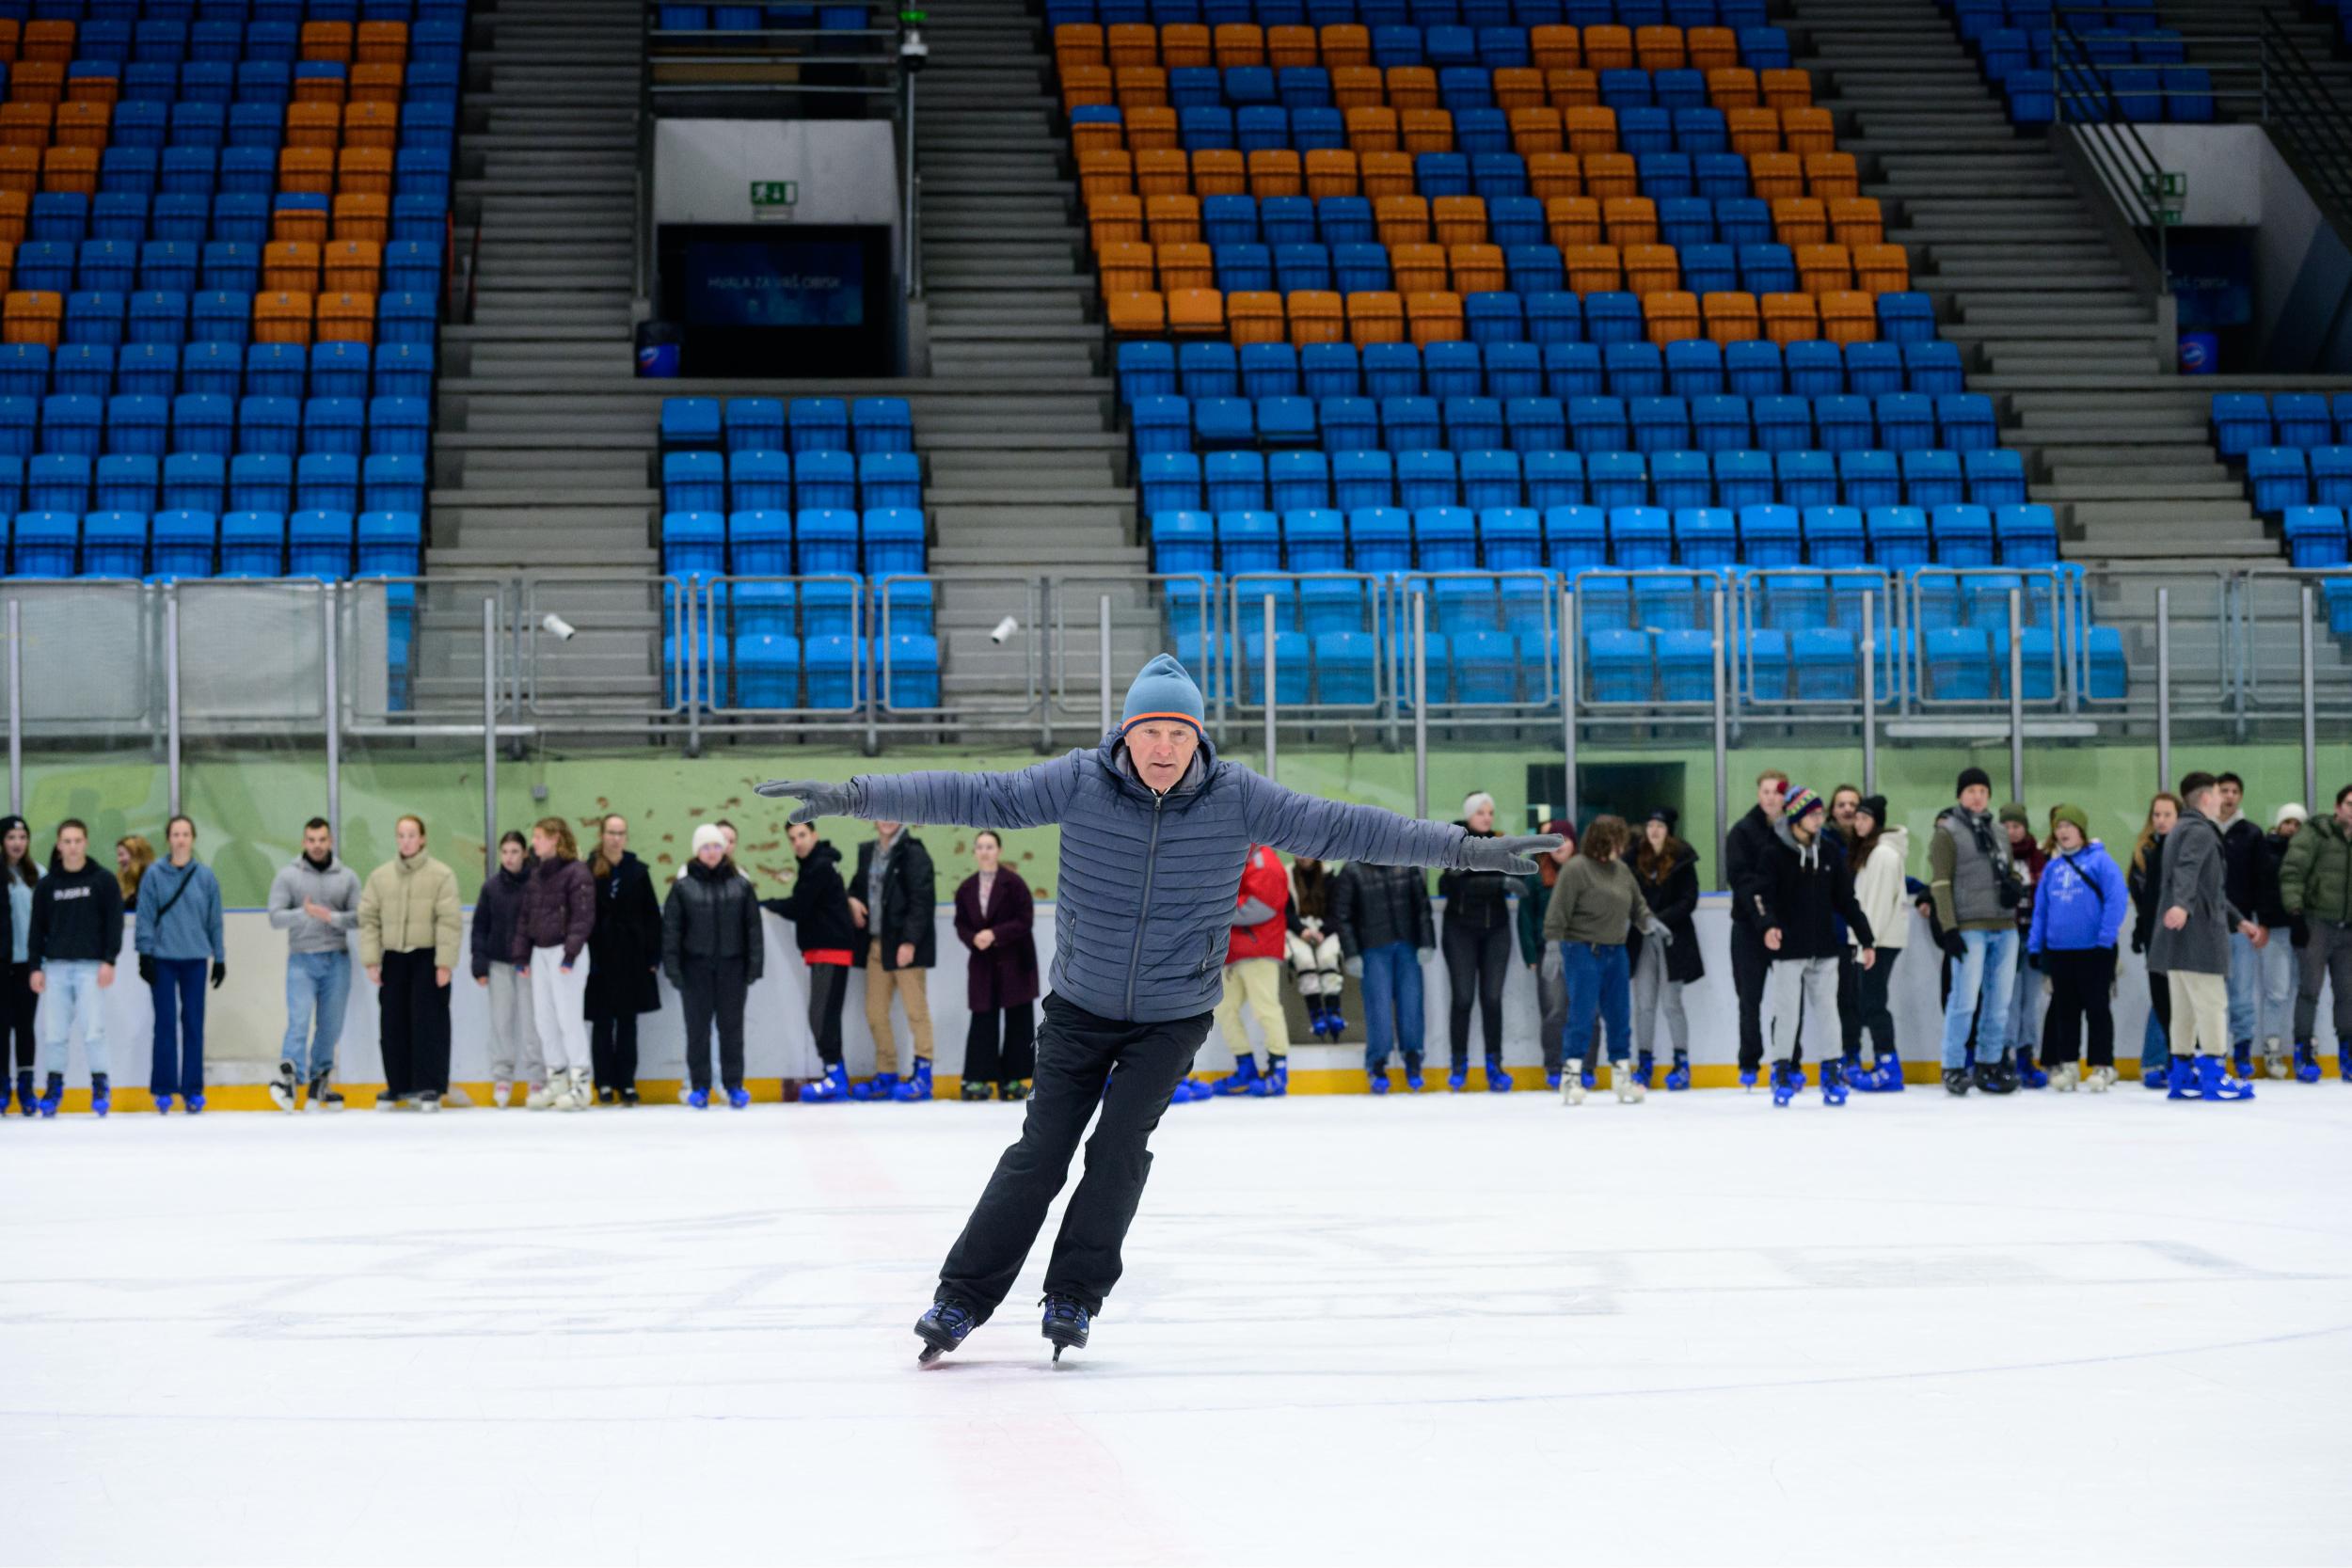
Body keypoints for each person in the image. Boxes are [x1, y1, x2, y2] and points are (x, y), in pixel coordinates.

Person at [756, 654, 1552, 1363]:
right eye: (1150, 731)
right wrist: (852, 793)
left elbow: (1349, 825)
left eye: (1179, 731)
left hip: (1172, 1014)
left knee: (1118, 1149)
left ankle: (1074, 1294)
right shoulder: (1077, 779)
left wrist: (1467, 848)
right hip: (1078, 1006)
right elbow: (973, 792)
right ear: (1125, 734)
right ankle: (961, 1298)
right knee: (1040, 1152)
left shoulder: (1239, 798)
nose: (1164, 746)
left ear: (1197, 738)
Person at [1758, 788, 1876, 1107]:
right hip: (1789, 947)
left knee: (1828, 1012)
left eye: (1820, 813)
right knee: (1786, 1013)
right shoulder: (1774, 854)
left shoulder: (1829, 853)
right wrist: (1768, 925)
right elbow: (1762, 896)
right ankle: (1781, 1069)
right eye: (1813, 814)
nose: (1819, 820)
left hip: (1825, 946)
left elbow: (1846, 900)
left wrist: (1866, 939)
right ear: (1797, 817)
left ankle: (1831, 1070)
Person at [2153, 771, 2263, 1101]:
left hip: (2179, 938)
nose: (2221, 800)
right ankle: (2215, 1075)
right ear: (2205, 798)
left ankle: (2182, 1073)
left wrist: (2238, 920)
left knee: (2184, 1009)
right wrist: (2182, 907)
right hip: (2198, 936)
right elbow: (2187, 873)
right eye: (2217, 793)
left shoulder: (2180, 830)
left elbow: (2208, 889)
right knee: (2213, 1004)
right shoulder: (2200, 831)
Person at [1548, 814, 1663, 1104]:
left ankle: (1622, 1075)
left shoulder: (1622, 871)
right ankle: (1571, 1075)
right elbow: (1557, 912)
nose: (1622, 847)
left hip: (1616, 950)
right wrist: (1552, 948)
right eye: (1617, 840)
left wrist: (1651, 924)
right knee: (1582, 1013)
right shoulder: (1576, 869)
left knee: (1619, 1014)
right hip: (1582, 949)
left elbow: (1638, 906)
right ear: (1602, 839)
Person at [358, 814, 461, 1112]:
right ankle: (398, 1084)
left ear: (423, 838)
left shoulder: (441, 875)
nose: (406, 841)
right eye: (401, 835)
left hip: (427, 958)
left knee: (429, 1022)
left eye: (411, 835)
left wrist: (445, 963)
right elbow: (368, 920)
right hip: (394, 958)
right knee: (392, 1022)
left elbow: (449, 922)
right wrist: (371, 959)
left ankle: (430, 1084)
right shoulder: (380, 877)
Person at [1930, 767, 2022, 1096]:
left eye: (1983, 790)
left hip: (2004, 925)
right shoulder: (1947, 832)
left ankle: (1989, 1062)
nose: (1977, 796)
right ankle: (1953, 1065)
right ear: (1959, 795)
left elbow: (2010, 872)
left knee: (2000, 1002)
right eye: (1971, 790)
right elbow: (1940, 883)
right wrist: (1949, 927)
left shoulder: (1998, 831)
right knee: (1965, 1000)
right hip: (1969, 926)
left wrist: (2014, 887)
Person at [663, 822, 764, 1109]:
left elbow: (752, 928)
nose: (712, 852)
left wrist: (754, 966)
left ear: (724, 850)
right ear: (697, 851)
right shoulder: (683, 888)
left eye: (717, 846)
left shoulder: (740, 885)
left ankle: (734, 1086)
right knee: (697, 1031)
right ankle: (700, 1087)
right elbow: (672, 930)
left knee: (732, 1030)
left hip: (733, 970)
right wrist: (674, 968)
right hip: (695, 971)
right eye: (706, 847)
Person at [2029, 804, 2130, 1091]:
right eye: (2059, 827)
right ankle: (2069, 1064)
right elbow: (2042, 910)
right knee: (2065, 1010)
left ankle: (2102, 1065)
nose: (2063, 832)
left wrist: (2105, 939)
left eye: (2069, 826)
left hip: (2095, 950)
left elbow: (2116, 900)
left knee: (2097, 1008)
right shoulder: (2053, 868)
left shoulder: (2101, 862)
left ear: (2081, 830)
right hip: (2061, 950)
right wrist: (2037, 946)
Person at [27, 819, 122, 1117]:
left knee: (94, 1030)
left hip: (91, 968)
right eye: (66, 841)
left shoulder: (103, 880)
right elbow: (36, 929)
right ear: (58, 845)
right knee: (54, 1033)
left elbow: (114, 923)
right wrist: (35, 967)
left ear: (86, 843)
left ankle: (100, 1086)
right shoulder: (47, 885)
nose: (72, 846)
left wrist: (109, 960)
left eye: (77, 840)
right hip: (55, 968)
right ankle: (54, 1089)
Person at [265, 817, 360, 1112]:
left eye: (322, 840)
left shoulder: (347, 877)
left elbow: (361, 917)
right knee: (299, 1021)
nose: (317, 846)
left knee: (330, 1027)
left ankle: (320, 1080)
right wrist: (303, 914)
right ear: (304, 842)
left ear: (330, 841)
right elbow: (275, 916)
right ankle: (288, 1080)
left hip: (337, 958)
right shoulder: (288, 877)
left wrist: (331, 917)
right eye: (311, 840)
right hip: (302, 959)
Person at [134, 815, 225, 1115]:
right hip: (162, 959)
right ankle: (162, 1088)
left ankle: (192, 1088)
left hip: (195, 958)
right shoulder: (154, 875)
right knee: (165, 1024)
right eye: (176, 834)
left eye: (186, 833)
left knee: (194, 1024)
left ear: (193, 839)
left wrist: (220, 957)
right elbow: (144, 916)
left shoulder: (205, 876)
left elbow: (214, 920)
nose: (181, 839)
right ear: (168, 839)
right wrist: (144, 953)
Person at [764, 821, 859, 1102]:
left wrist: (769, 903)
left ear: (814, 835)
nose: (798, 842)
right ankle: (835, 1074)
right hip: (822, 951)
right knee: (823, 1016)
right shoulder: (817, 865)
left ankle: (835, 1077)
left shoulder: (819, 866)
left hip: (831, 950)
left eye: (802, 835)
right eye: (792, 838)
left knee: (821, 1017)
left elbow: (798, 906)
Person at [1333, 854, 1437, 1093]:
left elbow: (1422, 905)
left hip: (1407, 945)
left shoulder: (1407, 863)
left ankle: (1413, 1060)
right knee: (1378, 1008)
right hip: (1373, 949)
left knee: (1411, 1006)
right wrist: (1351, 953)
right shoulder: (1352, 871)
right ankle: (1376, 1064)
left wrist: (1426, 942)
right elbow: (1342, 914)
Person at [1436, 791, 1517, 1094]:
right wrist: (1498, 882)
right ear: (1469, 815)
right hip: (1460, 931)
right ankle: (1459, 1063)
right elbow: (1453, 883)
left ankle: (1494, 1065)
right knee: (1463, 998)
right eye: (1481, 812)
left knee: (1492, 999)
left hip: (1496, 929)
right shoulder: (1454, 841)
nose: (1487, 817)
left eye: (1491, 812)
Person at [851, 818, 937, 1102]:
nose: (887, 820)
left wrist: (910, 941)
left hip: (904, 946)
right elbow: (858, 887)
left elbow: (922, 900)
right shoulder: (867, 852)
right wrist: (852, 900)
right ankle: (886, 1073)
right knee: (875, 1011)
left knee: (916, 1011)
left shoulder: (914, 852)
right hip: (877, 945)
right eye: (881, 814)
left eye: (893, 813)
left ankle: (923, 1076)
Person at [516, 817, 596, 1113]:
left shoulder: (577, 872)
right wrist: (521, 954)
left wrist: (571, 952)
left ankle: (581, 1082)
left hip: (566, 953)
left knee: (568, 1018)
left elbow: (583, 915)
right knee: (544, 1019)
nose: (534, 842)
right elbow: (526, 916)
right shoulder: (536, 875)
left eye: (539, 837)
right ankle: (558, 1077)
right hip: (541, 952)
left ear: (555, 839)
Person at [954, 830, 1039, 1101]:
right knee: (983, 1019)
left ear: (999, 851)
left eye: (990, 846)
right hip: (983, 963)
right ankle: (978, 1079)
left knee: (1017, 1020)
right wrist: (973, 938)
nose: (985, 851)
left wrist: (995, 934)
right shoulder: (967, 887)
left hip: (1014, 962)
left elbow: (1024, 920)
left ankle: (1015, 1079)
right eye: (980, 847)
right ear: (974, 852)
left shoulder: (1014, 884)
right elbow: (961, 923)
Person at [584, 815, 661, 1106]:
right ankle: (603, 1082)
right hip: (599, 959)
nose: (616, 838)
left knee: (628, 1023)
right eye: (611, 832)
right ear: (602, 835)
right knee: (602, 1023)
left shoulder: (638, 872)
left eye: (621, 833)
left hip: (631, 959)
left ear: (626, 837)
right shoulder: (589, 870)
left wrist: (653, 956)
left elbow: (652, 916)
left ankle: (627, 1082)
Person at [2279, 784, 2352, 1084]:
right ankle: (2304, 1050)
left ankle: (2347, 1051)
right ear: (2337, 808)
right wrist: (2296, 912)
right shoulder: (2316, 834)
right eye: (2349, 803)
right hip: (2316, 924)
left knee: (2348, 994)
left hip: (2348, 928)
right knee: (2310, 990)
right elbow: (2292, 872)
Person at [1209, 843, 1294, 1098]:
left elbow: (1260, 906)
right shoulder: (1243, 858)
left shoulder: (1264, 862)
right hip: (1235, 952)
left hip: (1259, 950)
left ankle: (1278, 1070)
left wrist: (1217, 908)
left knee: (1265, 1008)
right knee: (1225, 1009)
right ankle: (1245, 1068)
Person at [1725, 769, 1790, 1087]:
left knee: (1789, 999)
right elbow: (1741, 881)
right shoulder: (1741, 832)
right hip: (1749, 928)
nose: (1771, 798)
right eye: (1766, 791)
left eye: (1777, 792)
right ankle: (1749, 1060)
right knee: (1749, 998)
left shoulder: (1795, 831)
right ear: (1758, 794)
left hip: (1787, 928)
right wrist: (1763, 920)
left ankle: (1787, 1058)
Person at [1629, 809, 1702, 1092]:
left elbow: (1689, 898)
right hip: (1642, 938)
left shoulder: (1682, 858)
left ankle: (1681, 1062)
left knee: (1672, 1002)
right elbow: (1627, 892)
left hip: (1674, 939)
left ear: (1668, 830)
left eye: (1659, 825)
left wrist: (1662, 920)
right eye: (1650, 825)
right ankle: (1644, 1062)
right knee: (1644, 1002)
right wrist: (1644, 919)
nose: (1654, 830)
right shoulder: (1634, 857)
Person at [470, 831, 541, 1109]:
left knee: (532, 1023)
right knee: (501, 1023)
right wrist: (479, 963)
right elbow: (479, 928)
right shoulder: (491, 888)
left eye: (515, 851)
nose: (509, 857)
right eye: (505, 852)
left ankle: (537, 1076)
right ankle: (503, 1077)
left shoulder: (536, 885)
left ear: (525, 853)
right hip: (499, 963)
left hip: (529, 965)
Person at [1846, 796, 1911, 1092]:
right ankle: (1885, 1063)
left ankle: (1888, 1066)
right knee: (1868, 1002)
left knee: (1873, 1004)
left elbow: (1878, 905)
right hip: (1873, 940)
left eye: (1864, 818)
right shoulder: (1870, 852)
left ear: (1877, 822)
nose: (1857, 822)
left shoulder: (1883, 854)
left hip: (1878, 941)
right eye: (1857, 817)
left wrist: (1866, 944)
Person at [1513, 820, 1577, 1091]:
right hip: (1547, 949)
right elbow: (1525, 917)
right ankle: (1554, 1065)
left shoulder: (1584, 871)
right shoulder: (1536, 875)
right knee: (1553, 1009)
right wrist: (1530, 954)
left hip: (1581, 949)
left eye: (1564, 839)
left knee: (1584, 1010)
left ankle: (1582, 1065)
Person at [2214, 771, 2267, 1083]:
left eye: (2235, 791)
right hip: (2208, 928)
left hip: (2242, 926)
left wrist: (2262, 923)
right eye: (2224, 790)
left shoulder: (2251, 834)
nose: (2229, 796)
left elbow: (2261, 880)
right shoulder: (2205, 831)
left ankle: (2243, 1050)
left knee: (2242, 995)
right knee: (2211, 996)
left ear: (2241, 796)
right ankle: (2214, 1051)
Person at [2129, 793, 2182, 1089]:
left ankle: (2179, 1058)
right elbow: (2143, 898)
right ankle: (2159, 1060)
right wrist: (2141, 928)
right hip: (2154, 935)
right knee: (2162, 998)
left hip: (2182, 935)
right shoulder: (2144, 852)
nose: (2161, 820)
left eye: (2167, 814)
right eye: (2156, 815)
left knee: (2182, 999)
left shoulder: (2184, 848)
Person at [2252, 803, 2307, 1081]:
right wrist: (2262, 921)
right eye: (2288, 822)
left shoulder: (2309, 853)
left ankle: (2303, 1046)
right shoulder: (2266, 850)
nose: (2292, 828)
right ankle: (2271, 1046)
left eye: (2298, 824)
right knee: (2276, 992)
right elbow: (2261, 887)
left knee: (2303, 990)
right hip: (2274, 929)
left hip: (2304, 929)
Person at [1999, 803, 2050, 1088]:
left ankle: (2026, 1054)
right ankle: (2005, 1053)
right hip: (2005, 933)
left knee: (2030, 998)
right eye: (2006, 827)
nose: (2011, 831)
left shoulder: (2039, 858)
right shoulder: (1995, 858)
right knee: (2008, 997)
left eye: (2016, 826)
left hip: (2033, 935)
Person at [1828, 784, 1867, 1075]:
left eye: (1852, 804)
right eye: (1841, 804)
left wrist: (1925, 892)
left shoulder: (1869, 845)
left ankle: (1853, 1051)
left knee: (1856, 999)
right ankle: (1841, 1054)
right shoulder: (1824, 843)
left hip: (1861, 933)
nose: (1847, 809)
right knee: (1839, 999)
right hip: (1834, 933)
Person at [1284, 856, 1344, 1040]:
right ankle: (1316, 1012)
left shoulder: (1330, 876)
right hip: (1297, 930)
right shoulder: (1286, 876)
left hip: (1325, 928)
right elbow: (1284, 910)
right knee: (1305, 960)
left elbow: (1337, 910)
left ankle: (1333, 1010)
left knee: (1328, 957)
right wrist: (1302, 930)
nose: (1303, 857)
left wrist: (1323, 932)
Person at [0, 816, 36, 1117]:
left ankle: (25, 1085)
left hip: (28, 964)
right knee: (1, 1028)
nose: (17, 843)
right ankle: (2, 1086)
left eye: (22, 837)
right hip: (2, 964)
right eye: (11, 837)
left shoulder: (38, 875)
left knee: (25, 1027)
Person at [115, 834, 154, 912]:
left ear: (136, 855)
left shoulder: (153, 883)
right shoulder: (120, 883)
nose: (118, 860)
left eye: (121, 854)